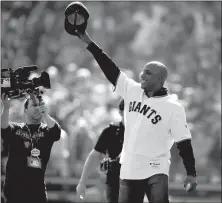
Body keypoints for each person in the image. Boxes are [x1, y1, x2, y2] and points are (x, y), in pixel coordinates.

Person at [67, 25, 198, 202]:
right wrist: (90, 43)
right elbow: (110, 68)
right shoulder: (132, 90)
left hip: (155, 168)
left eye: (148, 73)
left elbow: (183, 142)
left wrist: (191, 172)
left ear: (159, 80)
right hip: (129, 169)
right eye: (143, 71)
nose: (142, 74)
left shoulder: (173, 107)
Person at [1, 93, 61, 203]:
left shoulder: (46, 130)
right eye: (34, 106)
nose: (37, 108)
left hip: (37, 191)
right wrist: (6, 107)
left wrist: (46, 114)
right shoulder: (16, 128)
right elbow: (4, 128)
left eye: (40, 105)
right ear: (25, 110)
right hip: (14, 189)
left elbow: (57, 132)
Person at [76, 99, 125, 203]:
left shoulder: (140, 132)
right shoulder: (110, 131)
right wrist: (82, 182)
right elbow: (94, 155)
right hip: (114, 181)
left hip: (135, 182)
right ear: (120, 112)